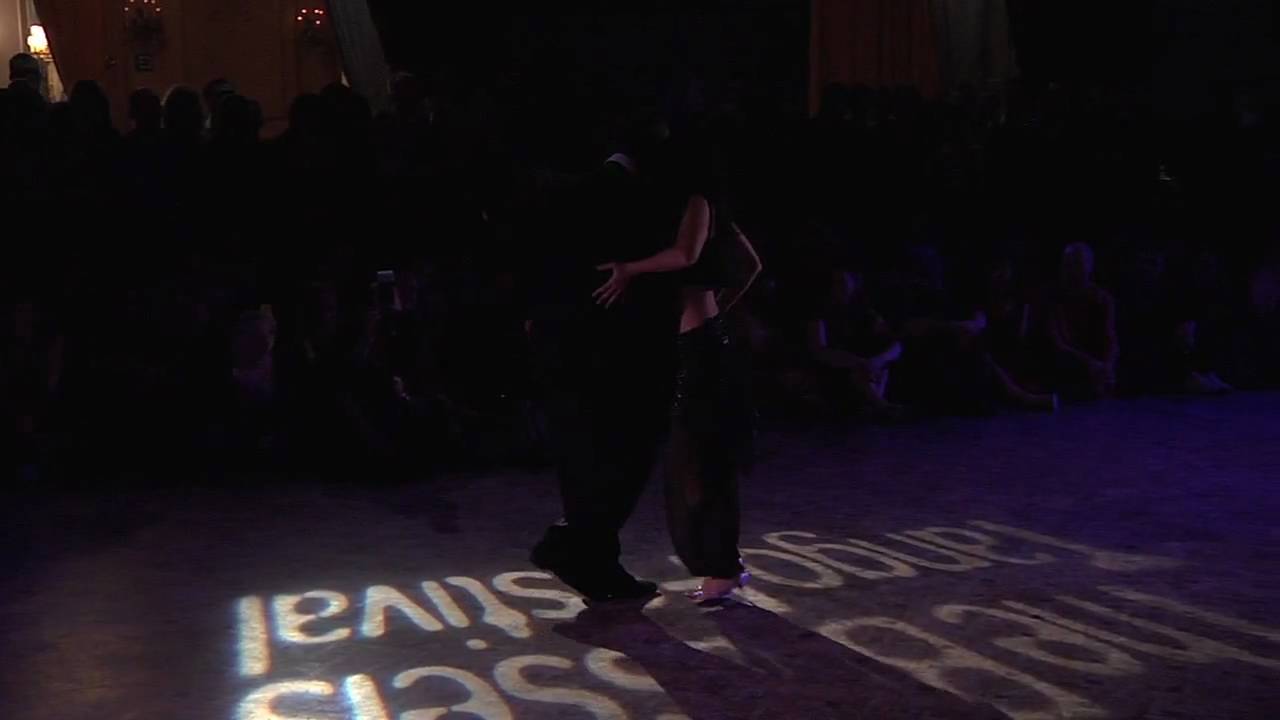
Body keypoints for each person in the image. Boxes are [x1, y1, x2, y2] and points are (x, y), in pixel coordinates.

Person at [593, 136, 763, 603]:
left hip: (701, 350)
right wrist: (720, 306)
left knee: (703, 462)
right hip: (699, 344)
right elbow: (751, 264)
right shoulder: (698, 206)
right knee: (694, 461)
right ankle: (720, 563)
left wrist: (630, 270)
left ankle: (724, 566)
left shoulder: (697, 201)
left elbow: (686, 255)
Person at [527, 111, 680, 603]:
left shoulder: (562, 189)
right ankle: (588, 556)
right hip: (614, 347)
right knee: (626, 452)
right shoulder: (636, 199)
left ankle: (578, 546)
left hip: (561, 342)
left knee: (584, 457)